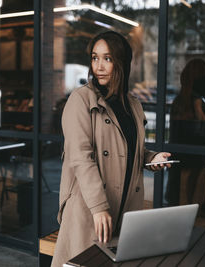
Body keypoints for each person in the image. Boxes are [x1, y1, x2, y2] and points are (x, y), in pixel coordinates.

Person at [51, 31, 172, 267]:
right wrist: (98, 208)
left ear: (122, 62)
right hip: (90, 209)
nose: (99, 66)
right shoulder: (81, 100)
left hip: (125, 207)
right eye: (95, 58)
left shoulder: (133, 105)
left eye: (107, 58)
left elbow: (130, 151)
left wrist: (151, 158)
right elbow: (81, 158)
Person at [166, 58, 205, 208]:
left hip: (183, 161)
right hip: (193, 162)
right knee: (191, 204)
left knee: (181, 203)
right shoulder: (194, 102)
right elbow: (200, 131)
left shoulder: (180, 101)